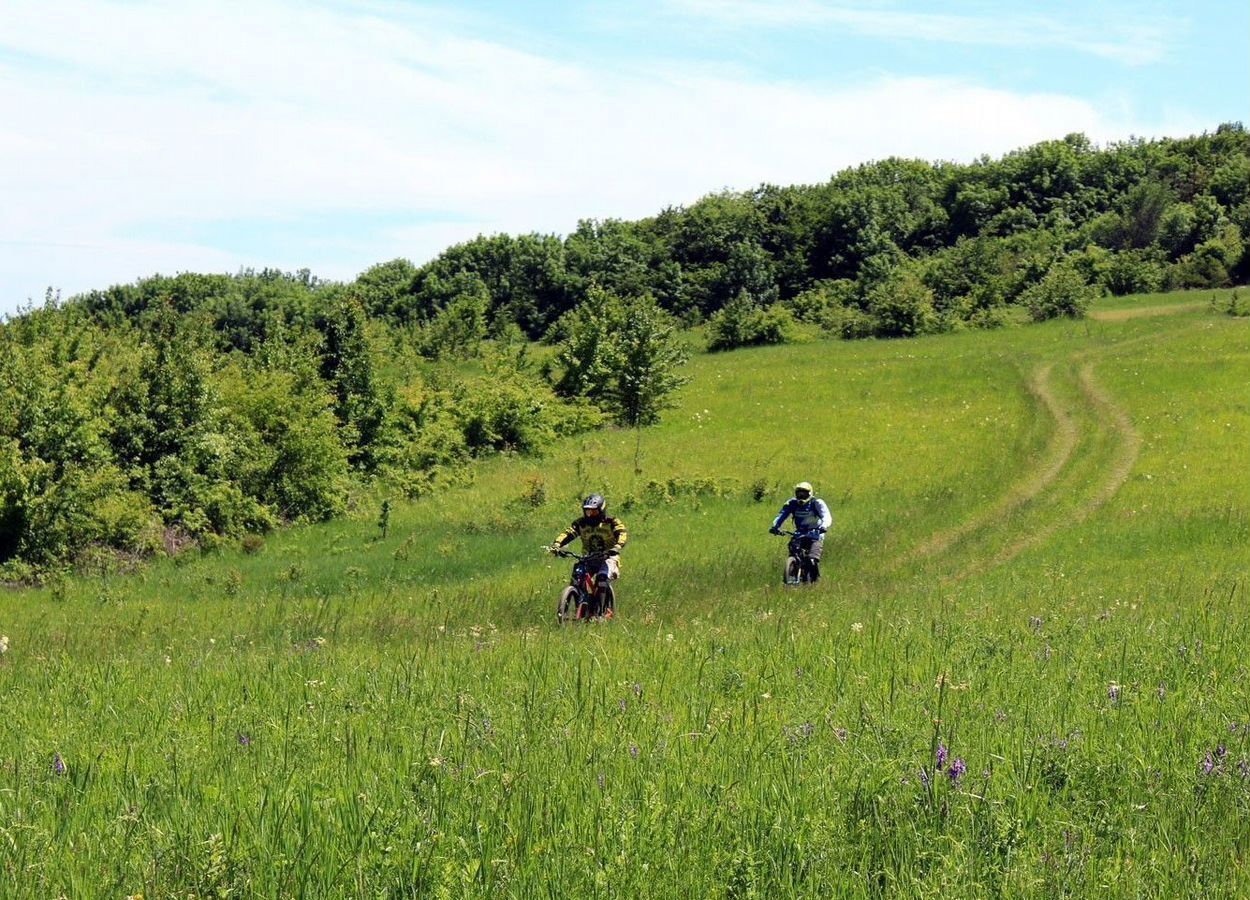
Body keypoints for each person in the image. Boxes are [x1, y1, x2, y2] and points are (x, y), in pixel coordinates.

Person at [549, 493, 628, 601]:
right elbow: (568, 533)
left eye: (594, 511)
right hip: (588, 558)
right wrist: (557, 544)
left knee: (601, 579)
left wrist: (617, 547)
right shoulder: (581, 523)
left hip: (608, 558)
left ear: (601, 510)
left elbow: (622, 533)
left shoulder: (611, 522)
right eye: (587, 511)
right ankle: (581, 604)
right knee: (577, 577)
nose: (590, 514)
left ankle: (600, 613)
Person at [769, 481, 832, 581]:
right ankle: (793, 572)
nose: (801, 495)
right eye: (799, 493)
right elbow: (782, 515)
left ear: (810, 493)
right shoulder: (792, 503)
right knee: (794, 552)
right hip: (799, 533)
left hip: (815, 535)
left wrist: (824, 526)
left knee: (811, 559)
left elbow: (826, 516)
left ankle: (814, 581)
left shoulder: (816, 503)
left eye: (804, 492)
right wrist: (775, 527)